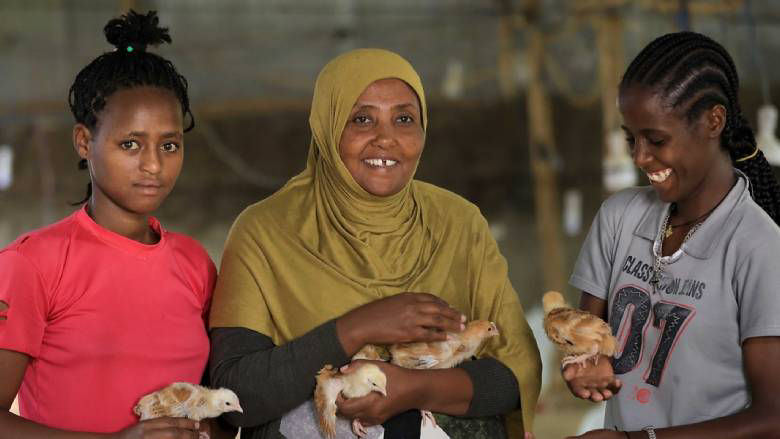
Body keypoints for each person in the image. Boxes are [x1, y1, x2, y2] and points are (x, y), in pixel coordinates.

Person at [208, 48, 542, 439]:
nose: (386, 139)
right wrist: (356, 328)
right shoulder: (264, 231)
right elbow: (236, 394)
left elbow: (516, 368)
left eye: (404, 119)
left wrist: (413, 388)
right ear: (328, 126)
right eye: (362, 119)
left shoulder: (459, 222)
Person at [0, 10, 232, 439]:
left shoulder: (196, 265)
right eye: (130, 144)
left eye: (169, 144)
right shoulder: (33, 264)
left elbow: (215, 415)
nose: (153, 164)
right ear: (85, 142)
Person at [563, 31, 780, 439]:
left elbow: (774, 418)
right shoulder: (618, 217)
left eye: (656, 140)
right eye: (631, 138)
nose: (640, 157)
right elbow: (585, 339)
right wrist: (581, 364)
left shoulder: (759, 248)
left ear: (713, 121)